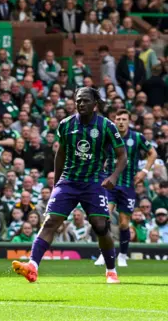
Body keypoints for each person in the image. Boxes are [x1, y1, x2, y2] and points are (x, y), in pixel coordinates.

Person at [12, 88, 127, 284]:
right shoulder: (66, 125)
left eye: (85, 101)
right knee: (50, 221)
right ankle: (32, 266)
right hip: (69, 182)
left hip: (93, 182)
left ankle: (111, 271)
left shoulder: (107, 126)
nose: (81, 104)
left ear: (95, 104)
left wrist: (114, 177)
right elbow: (61, 154)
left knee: (100, 226)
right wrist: (57, 184)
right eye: (78, 101)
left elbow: (122, 155)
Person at [95, 109, 157, 267]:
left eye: (124, 119)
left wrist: (144, 171)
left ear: (129, 121)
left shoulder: (137, 137)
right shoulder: (108, 137)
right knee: (104, 217)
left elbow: (152, 153)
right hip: (109, 184)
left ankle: (122, 255)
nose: (121, 122)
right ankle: (104, 253)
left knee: (123, 223)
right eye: (118, 119)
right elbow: (99, 154)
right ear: (114, 121)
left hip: (128, 186)